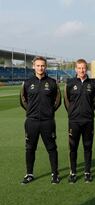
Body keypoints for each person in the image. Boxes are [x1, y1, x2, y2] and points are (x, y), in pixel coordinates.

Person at [20, 56, 61, 184]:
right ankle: (29, 174)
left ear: (46, 66)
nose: (40, 68)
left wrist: (49, 111)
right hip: (31, 121)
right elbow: (23, 100)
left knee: (51, 148)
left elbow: (58, 101)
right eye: (38, 65)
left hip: (47, 121)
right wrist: (31, 112)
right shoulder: (27, 83)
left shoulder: (52, 82)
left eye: (42, 65)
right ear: (33, 66)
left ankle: (55, 174)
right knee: (30, 148)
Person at [64, 59, 95, 183]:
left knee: (87, 147)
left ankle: (87, 172)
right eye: (79, 68)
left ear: (86, 68)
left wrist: (88, 112)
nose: (82, 70)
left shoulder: (92, 84)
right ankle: (73, 172)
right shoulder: (70, 83)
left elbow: (94, 101)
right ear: (75, 69)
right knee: (73, 148)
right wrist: (73, 113)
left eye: (83, 68)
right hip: (74, 121)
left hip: (88, 121)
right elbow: (66, 101)